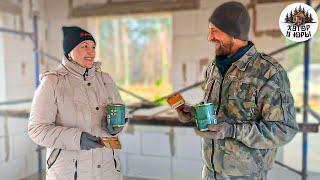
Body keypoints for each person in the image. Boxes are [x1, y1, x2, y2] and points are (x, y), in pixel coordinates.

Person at [177, 2, 298, 180]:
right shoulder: (214, 68)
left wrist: (232, 131)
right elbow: (219, 110)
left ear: (233, 33)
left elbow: (284, 129)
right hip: (210, 173)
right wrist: (194, 112)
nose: (210, 37)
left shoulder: (268, 71)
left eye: (214, 30)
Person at [28, 26, 125, 180]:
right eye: (84, 46)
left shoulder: (105, 79)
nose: (91, 52)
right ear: (69, 52)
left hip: (107, 170)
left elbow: (119, 113)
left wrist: (117, 127)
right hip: (69, 172)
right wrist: (77, 139)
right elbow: (37, 130)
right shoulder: (52, 82)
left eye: (93, 47)